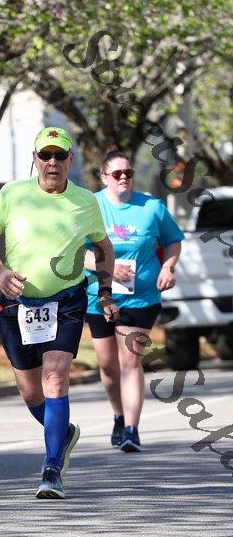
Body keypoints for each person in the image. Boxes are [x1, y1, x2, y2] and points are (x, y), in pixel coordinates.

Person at [0, 127, 118, 499]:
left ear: (70, 160)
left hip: (66, 301)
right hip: (17, 304)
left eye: (59, 155)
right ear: (35, 159)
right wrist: (0, 272)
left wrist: (105, 291)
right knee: (31, 393)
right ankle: (63, 431)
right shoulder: (12, 194)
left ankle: (52, 467)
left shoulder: (85, 200)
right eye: (45, 155)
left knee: (55, 376)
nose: (52, 162)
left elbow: (104, 248)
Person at [84, 147, 184, 452]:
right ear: (104, 177)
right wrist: (108, 267)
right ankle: (118, 415)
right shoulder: (90, 206)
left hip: (140, 298)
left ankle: (131, 429)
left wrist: (167, 267)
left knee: (130, 359)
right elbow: (76, 251)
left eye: (128, 172)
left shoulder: (151, 207)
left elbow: (173, 241)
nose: (123, 178)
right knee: (108, 366)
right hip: (99, 297)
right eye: (117, 173)